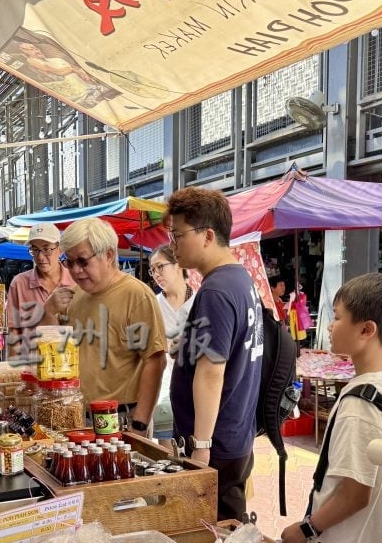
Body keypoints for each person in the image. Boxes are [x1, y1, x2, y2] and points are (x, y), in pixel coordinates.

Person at [280, 273, 382, 543]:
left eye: (337, 318)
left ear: (366, 329)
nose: (329, 325)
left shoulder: (359, 405)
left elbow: (355, 494)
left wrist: (305, 528)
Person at [166, 188, 263, 521]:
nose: (173, 243)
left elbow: (211, 372)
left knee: (217, 540)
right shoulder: (240, 280)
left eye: (178, 234)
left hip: (216, 443)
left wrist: (201, 445)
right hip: (234, 435)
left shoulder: (217, 290)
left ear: (207, 235)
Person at [43, 218, 166, 432]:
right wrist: (49, 311)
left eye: (82, 261)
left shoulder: (136, 295)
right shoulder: (77, 295)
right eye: (69, 262)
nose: (75, 270)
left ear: (108, 255)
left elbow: (155, 360)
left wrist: (140, 422)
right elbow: (54, 350)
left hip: (122, 416)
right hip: (80, 414)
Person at [148, 244, 196, 446]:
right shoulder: (152, 303)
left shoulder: (201, 301)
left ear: (178, 265)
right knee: (166, 448)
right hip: (162, 390)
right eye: (153, 270)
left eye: (160, 267)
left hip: (195, 388)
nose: (156, 274)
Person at [7, 222, 74, 357]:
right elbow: (14, 334)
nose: (40, 256)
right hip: (33, 367)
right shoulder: (19, 284)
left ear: (59, 249)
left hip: (69, 367)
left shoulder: (75, 282)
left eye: (47, 249)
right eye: (35, 250)